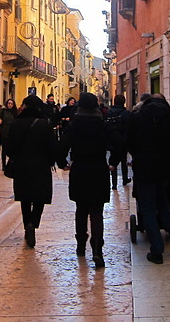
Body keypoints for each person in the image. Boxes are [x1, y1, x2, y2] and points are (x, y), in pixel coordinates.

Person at [126, 93, 170, 264]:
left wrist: (137, 154)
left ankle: (157, 250)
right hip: (165, 166)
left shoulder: (137, 118)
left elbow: (128, 141)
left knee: (147, 208)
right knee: (161, 196)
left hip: (144, 167)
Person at [58, 92, 112, 268]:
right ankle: (97, 248)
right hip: (98, 169)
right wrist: (113, 162)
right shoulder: (103, 125)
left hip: (80, 169)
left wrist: (63, 163)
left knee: (81, 209)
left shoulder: (73, 126)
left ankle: (81, 245)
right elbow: (118, 143)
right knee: (97, 212)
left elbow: (62, 147)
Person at [5, 95, 58, 248]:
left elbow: (9, 148)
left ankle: (27, 225)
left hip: (22, 165)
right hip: (41, 165)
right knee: (40, 197)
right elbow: (52, 146)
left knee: (25, 198)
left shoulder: (16, 123)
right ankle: (33, 223)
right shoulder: (45, 124)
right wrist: (51, 161)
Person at [106, 94, 131, 190]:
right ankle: (125, 179)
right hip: (123, 141)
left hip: (112, 141)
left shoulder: (109, 112)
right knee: (123, 161)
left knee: (113, 161)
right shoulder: (126, 113)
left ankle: (114, 183)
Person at [0, 98, 18, 169]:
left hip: (12, 133)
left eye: (11, 104)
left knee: (12, 149)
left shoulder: (15, 112)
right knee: (4, 150)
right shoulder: (3, 111)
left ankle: (11, 163)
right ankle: (4, 164)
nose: (10, 105)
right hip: (4, 133)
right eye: (9, 103)